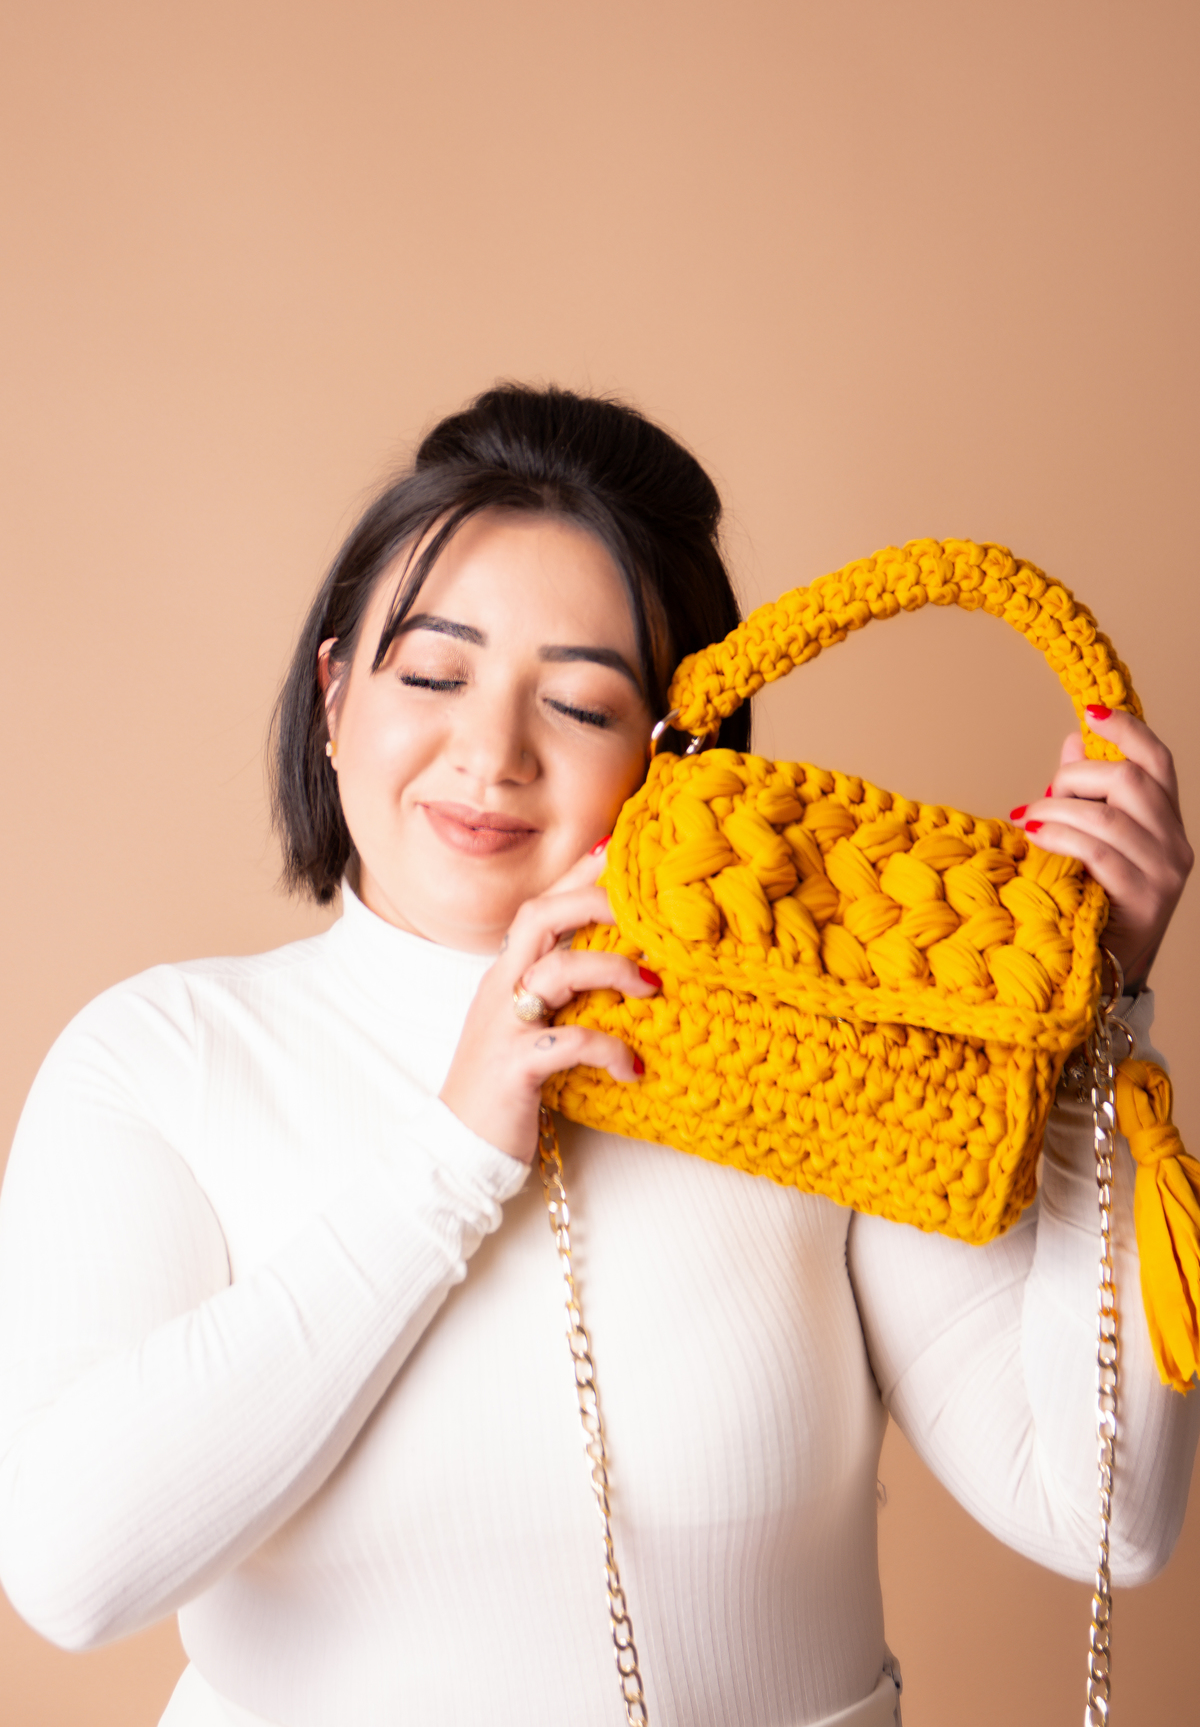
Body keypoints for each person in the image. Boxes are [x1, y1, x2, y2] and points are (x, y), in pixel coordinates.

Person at [0, 384, 1195, 1727]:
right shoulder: (163, 1063)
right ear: (334, 694)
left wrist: (1093, 1023)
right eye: (433, 675)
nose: (491, 754)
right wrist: (452, 1157)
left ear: (681, 762)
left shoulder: (814, 1065)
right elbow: (71, 1572)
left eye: (578, 705)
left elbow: (1105, 1515)